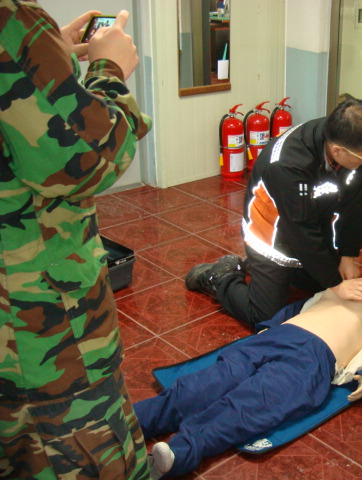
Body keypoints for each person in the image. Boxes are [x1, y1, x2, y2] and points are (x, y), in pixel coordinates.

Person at [0, 5, 151, 479]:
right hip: (38, 335)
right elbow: (91, 156)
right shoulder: (9, 21)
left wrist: (46, 59)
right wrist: (109, 70)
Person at [134, 272, 362, 478]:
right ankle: (137, 419)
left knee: (250, 405)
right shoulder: (348, 285)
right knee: (209, 382)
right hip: (280, 335)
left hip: (314, 360)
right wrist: (271, 325)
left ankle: (178, 453)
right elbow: (298, 307)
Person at [185, 99, 362, 327]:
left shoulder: (344, 141)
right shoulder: (288, 165)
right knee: (265, 317)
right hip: (270, 236)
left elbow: (353, 205)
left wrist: (348, 256)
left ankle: (268, 270)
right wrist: (336, 284)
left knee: (327, 285)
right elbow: (301, 230)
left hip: (310, 224)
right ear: (337, 150)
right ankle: (222, 277)